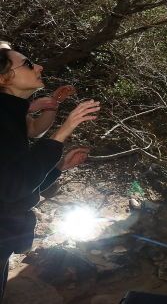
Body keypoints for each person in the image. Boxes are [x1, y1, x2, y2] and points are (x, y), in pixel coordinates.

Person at [0, 42, 99, 301]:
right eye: (28, 64)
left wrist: (58, 168)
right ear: (3, 77)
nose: (39, 66)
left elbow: (16, 182)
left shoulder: (10, 113)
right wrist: (65, 129)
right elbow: (13, 186)